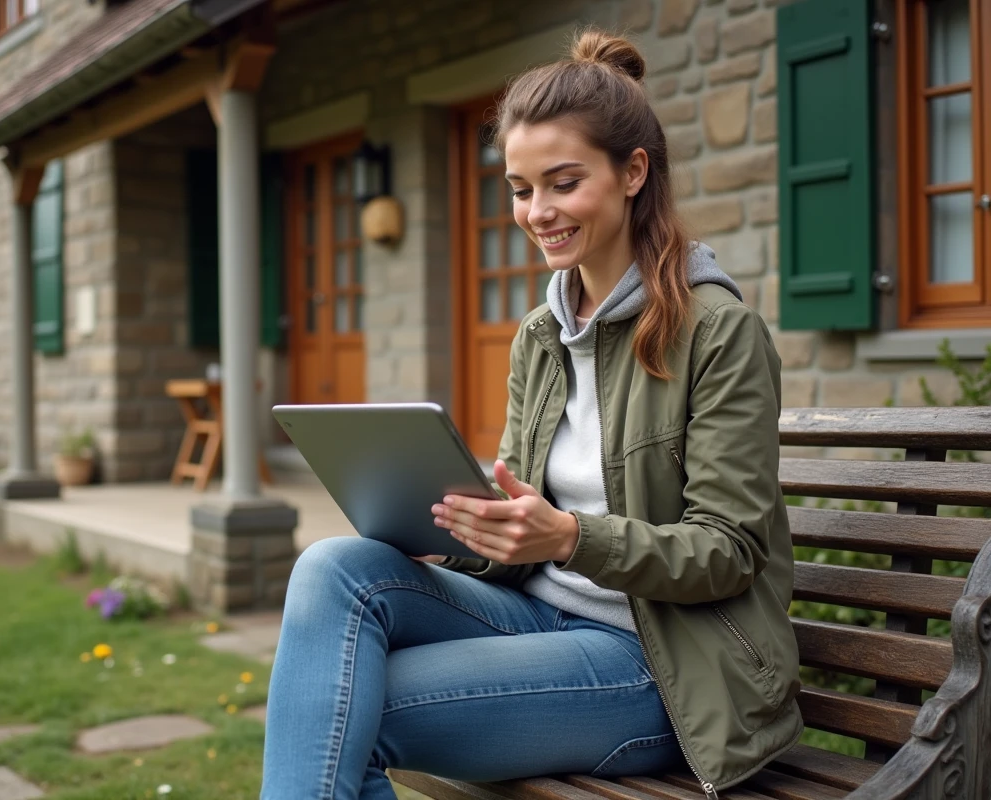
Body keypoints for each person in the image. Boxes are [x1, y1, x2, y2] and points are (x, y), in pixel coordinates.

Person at [260, 28, 801, 800]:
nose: (537, 211)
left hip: (661, 665)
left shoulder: (717, 332)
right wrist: (461, 530)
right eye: (520, 189)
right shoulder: (541, 335)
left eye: (563, 182)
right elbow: (521, 533)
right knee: (334, 568)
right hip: (534, 620)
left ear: (633, 173)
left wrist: (571, 537)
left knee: (342, 708)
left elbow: (729, 551)